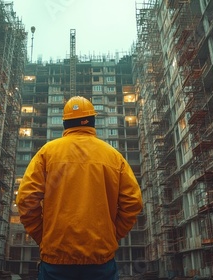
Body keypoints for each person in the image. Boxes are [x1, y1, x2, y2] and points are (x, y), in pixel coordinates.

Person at [16, 96, 143, 280]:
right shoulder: (113, 157)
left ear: (65, 123)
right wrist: (112, 235)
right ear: (92, 121)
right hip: (100, 258)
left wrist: (43, 236)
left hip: (56, 258)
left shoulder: (47, 153)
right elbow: (133, 202)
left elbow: (26, 200)